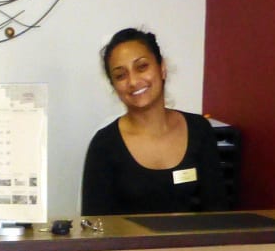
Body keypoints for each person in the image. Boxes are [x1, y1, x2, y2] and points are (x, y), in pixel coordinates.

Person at [80, 27, 231, 216]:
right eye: (120, 75)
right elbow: (95, 226)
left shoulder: (199, 130)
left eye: (142, 67)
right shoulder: (104, 145)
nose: (133, 81)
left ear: (162, 68)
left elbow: (218, 212)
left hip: (193, 237)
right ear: (114, 86)